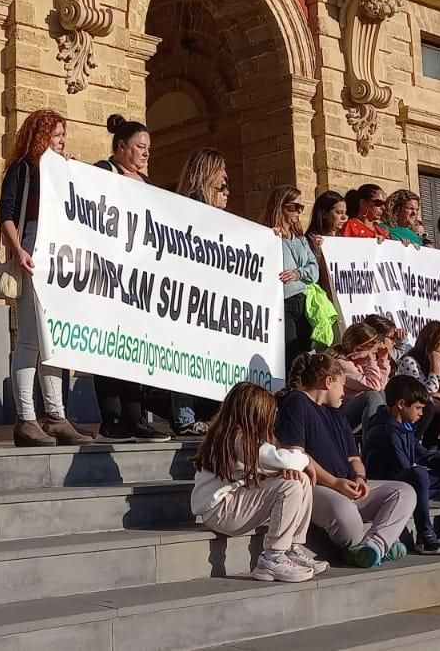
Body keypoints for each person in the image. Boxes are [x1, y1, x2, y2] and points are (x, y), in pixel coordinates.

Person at [0, 109, 93, 447]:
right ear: (40, 136)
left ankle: (56, 415)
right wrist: (18, 250)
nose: (62, 139)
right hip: (33, 254)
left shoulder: (58, 169)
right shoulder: (23, 169)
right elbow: (5, 213)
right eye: (56, 134)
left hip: (60, 262)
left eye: (63, 133)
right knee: (29, 341)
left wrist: (73, 174)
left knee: (55, 341)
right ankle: (26, 417)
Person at [275, 353, 416, 568]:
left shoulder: (337, 413)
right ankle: (371, 545)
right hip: (316, 487)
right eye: (343, 385)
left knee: (405, 492)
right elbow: (298, 456)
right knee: (346, 516)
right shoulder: (297, 402)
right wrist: (334, 483)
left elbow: (353, 457)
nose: (344, 392)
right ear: (327, 382)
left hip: (347, 486)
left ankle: (375, 546)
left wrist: (360, 477)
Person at [190, 382, 322, 583]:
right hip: (220, 512)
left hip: (233, 502)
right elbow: (282, 459)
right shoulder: (237, 440)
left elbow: (274, 463)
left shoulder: (236, 436)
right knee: (290, 485)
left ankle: (293, 546)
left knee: (300, 479)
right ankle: (273, 557)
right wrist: (307, 459)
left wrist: (290, 468)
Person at [91, 115, 171, 443]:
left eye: (148, 148)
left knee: (135, 349)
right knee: (110, 347)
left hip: (140, 282)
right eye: (140, 147)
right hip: (107, 275)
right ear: (121, 147)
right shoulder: (100, 172)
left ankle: (135, 418)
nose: (146, 153)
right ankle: (111, 418)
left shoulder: (148, 185)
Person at [363, 375, 440, 554]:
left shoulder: (403, 427)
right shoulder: (385, 432)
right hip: (387, 491)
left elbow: (423, 455)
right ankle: (424, 536)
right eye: (418, 408)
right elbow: (406, 475)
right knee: (425, 475)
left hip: (406, 485)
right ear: (401, 405)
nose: (421, 413)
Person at [159, 148, 232, 436]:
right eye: (221, 171)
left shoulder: (211, 207)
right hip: (191, 292)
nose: (226, 177)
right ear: (208, 171)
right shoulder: (191, 203)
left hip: (209, 293)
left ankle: (203, 415)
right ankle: (184, 418)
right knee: (187, 355)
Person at [392, 321, 440, 461]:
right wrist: (435, 366)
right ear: (431, 341)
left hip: (433, 402)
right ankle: (417, 443)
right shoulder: (410, 361)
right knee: (429, 405)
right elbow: (423, 393)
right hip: (410, 407)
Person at [266, 185, 319, 370]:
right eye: (294, 207)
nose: (298, 211)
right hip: (282, 302)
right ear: (280, 207)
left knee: (306, 352)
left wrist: (298, 273)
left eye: (301, 208)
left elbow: (314, 271)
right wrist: (270, 237)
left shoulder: (301, 239)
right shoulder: (268, 235)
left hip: (303, 301)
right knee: (289, 354)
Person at [327, 320, 390, 430]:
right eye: (373, 352)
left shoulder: (360, 364)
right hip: (339, 415)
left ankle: (383, 434)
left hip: (356, 414)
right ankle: (373, 440)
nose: (375, 356)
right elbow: (373, 385)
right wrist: (370, 360)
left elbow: (380, 386)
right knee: (372, 395)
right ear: (358, 350)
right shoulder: (343, 365)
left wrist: (383, 360)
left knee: (382, 394)